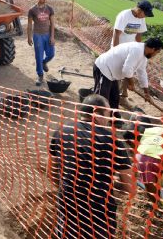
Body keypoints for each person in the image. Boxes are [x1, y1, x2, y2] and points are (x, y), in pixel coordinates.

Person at [48, 94, 136, 239]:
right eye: (108, 114)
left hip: (68, 204)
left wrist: (67, 186)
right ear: (96, 114)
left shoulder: (60, 132)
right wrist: (113, 182)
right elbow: (130, 187)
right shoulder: (113, 142)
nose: (110, 119)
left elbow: (51, 171)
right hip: (99, 212)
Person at [93, 37, 163, 109]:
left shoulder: (144, 56)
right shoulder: (137, 50)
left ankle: (114, 119)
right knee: (101, 99)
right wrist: (131, 83)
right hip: (103, 69)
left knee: (114, 99)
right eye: (157, 52)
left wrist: (146, 93)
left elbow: (142, 73)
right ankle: (93, 118)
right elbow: (126, 69)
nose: (156, 54)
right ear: (153, 49)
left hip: (112, 74)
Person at [27, 0, 55, 86]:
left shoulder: (50, 9)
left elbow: (52, 24)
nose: (45, 1)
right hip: (37, 35)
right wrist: (29, 37)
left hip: (47, 35)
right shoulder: (32, 10)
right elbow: (30, 25)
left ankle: (44, 62)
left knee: (51, 54)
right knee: (38, 56)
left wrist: (52, 36)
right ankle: (40, 75)